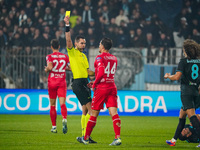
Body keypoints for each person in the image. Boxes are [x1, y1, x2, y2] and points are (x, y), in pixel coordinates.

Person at [80, 37, 121, 146]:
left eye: (99, 44)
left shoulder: (99, 58)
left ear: (102, 46)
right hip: (112, 86)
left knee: (93, 114)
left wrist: (95, 83)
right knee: (114, 113)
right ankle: (117, 138)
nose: (98, 46)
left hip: (102, 88)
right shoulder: (114, 58)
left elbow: (102, 72)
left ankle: (86, 138)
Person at [63, 16, 96, 143]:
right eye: (81, 43)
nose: (83, 45)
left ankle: (84, 135)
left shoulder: (83, 56)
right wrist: (67, 26)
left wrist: (99, 73)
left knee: (85, 110)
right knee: (92, 110)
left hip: (85, 82)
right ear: (76, 44)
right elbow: (68, 39)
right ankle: (85, 137)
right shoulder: (72, 52)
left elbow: (88, 72)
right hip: (78, 83)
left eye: (84, 43)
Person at [164, 39, 200, 147]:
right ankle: (173, 140)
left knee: (192, 117)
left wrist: (168, 76)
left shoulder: (183, 62)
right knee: (182, 115)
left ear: (186, 51)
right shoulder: (199, 61)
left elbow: (177, 77)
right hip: (195, 91)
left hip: (186, 92)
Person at [44, 39, 69, 134]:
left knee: (53, 105)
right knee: (62, 103)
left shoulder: (49, 56)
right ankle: (64, 118)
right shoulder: (65, 56)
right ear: (59, 46)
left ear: (51, 47)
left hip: (52, 82)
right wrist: (63, 68)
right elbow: (69, 67)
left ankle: (54, 127)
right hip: (62, 82)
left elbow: (50, 67)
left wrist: (47, 69)